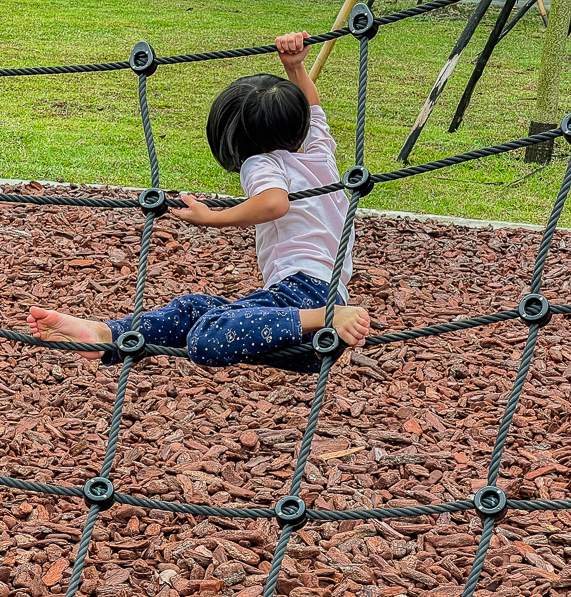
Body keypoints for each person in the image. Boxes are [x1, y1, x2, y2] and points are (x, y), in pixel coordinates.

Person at [27, 31, 370, 373]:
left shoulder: (261, 162)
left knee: (206, 336)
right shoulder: (319, 152)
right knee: (192, 310)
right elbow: (313, 107)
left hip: (306, 301)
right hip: (309, 311)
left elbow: (274, 203)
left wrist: (211, 218)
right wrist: (295, 68)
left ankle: (331, 319)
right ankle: (106, 334)